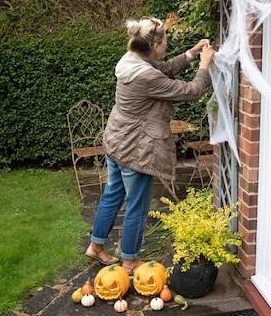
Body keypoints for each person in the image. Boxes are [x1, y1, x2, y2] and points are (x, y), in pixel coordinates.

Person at [85, 16, 215, 273]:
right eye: (165, 40)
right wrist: (204, 66)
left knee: (113, 193)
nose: (167, 43)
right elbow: (190, 91)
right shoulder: (145, 77)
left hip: (116, 139)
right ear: (155, 45)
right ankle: (130, 260)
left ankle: (96, 246)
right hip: (135, 148)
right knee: (137, 204)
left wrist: (191, 54)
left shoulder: (131, 60)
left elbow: (163, 68)